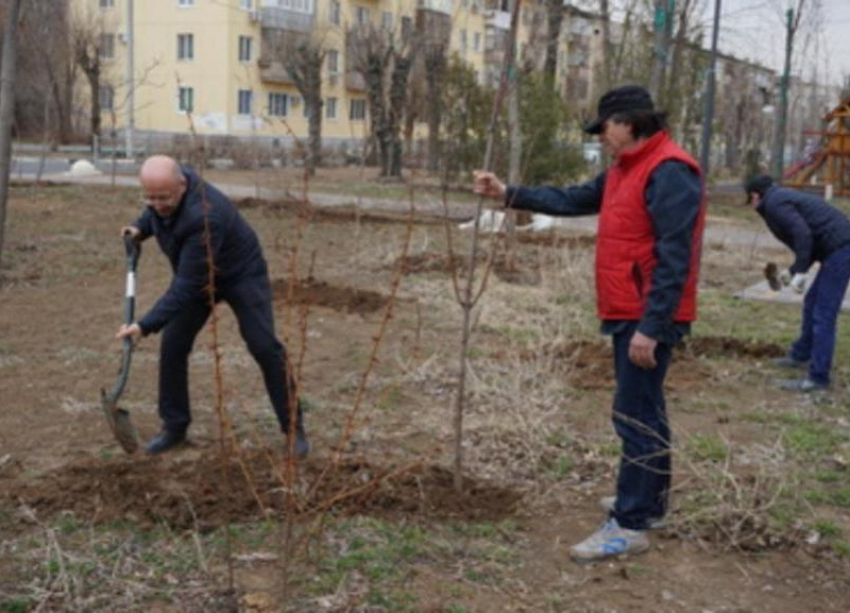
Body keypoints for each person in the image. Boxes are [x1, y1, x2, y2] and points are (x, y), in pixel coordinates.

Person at [474, 85, 705, 562]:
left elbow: (674, 258)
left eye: (605, 128)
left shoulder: (670, 172)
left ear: (630, 121)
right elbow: (573, 198)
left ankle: (630, 522)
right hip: (628, 308)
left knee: (633, 414)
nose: (601, 137)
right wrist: (509, 194)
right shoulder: (626, 169)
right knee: (645, 408)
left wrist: (652, 326)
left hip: (645, 316)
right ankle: (650, 501)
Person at [117, 155, 309, 456]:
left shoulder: (205, 216)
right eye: (150, 197)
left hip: (240, 274)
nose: (157, 204)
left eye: (164, 197)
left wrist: (144, 325)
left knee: (263, 345)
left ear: (182, 185)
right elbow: (156, 214)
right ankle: (175, 427)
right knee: (174, 344)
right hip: (198, 273)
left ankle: (294, 427)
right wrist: (139, 228)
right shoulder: (167, 190)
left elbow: (186, 286)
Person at [745, 174, 850, 392]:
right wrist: (792, 271)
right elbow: (810, 238)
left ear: (755, 196)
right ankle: (801, 355)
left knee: (824, 313)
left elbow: (803, 235)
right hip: (836, 248)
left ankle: (818, 379)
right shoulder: (780, 198)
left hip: (841, 249)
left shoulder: (774, 204)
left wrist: (801, 271)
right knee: (812, 302)